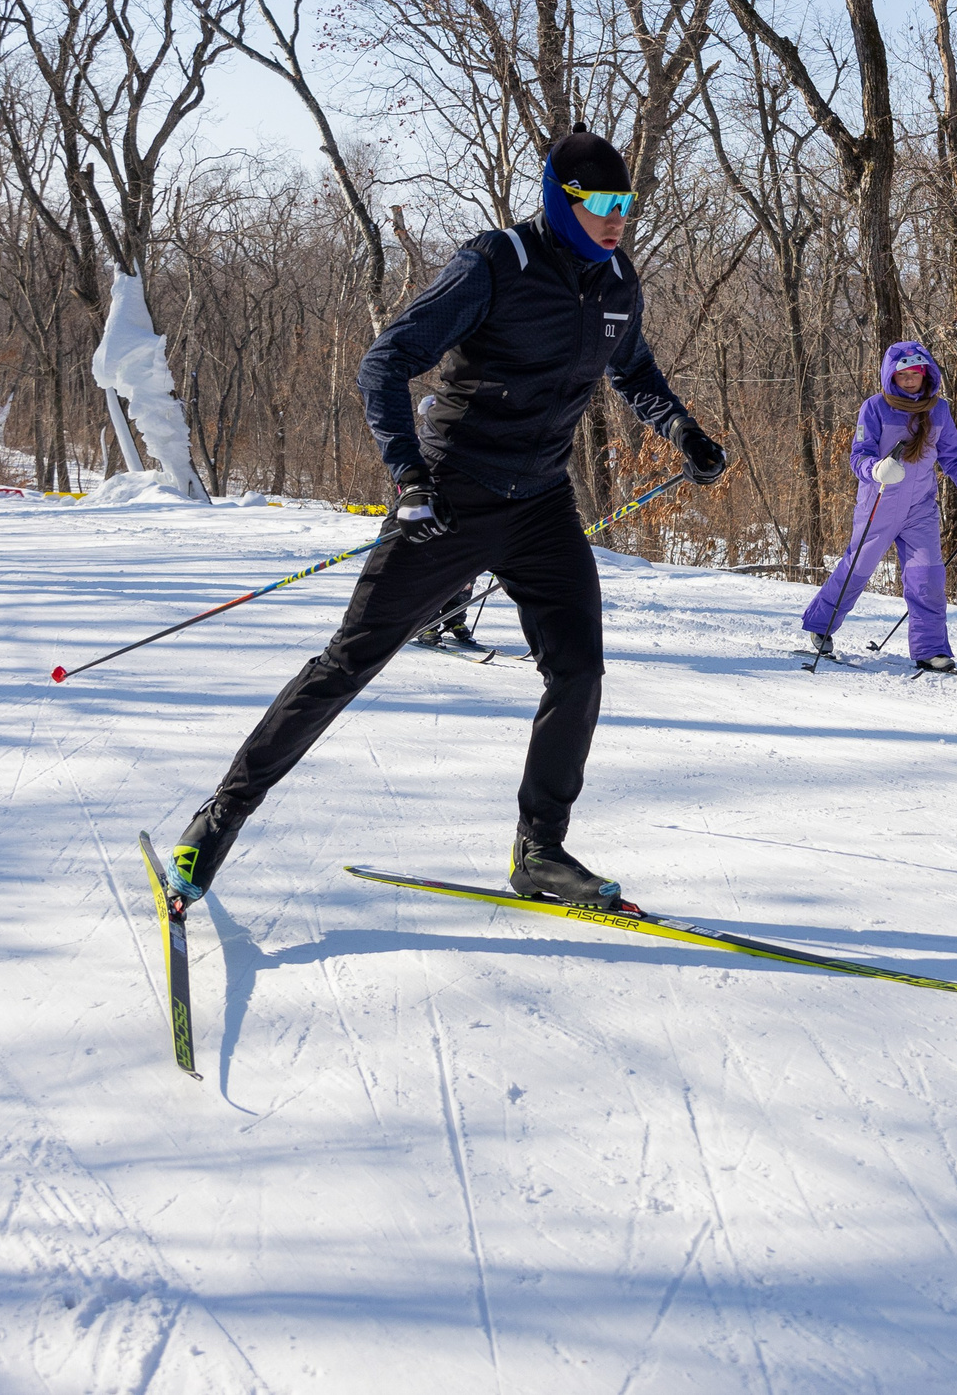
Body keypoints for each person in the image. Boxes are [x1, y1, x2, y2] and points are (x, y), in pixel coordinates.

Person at [163, 128, 729, 914]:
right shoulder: (497, 263)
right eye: (601, 203)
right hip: (453, 499)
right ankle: (216, 822)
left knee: (578, 669)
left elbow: (631, 367)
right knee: (348, 662)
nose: (617, 218)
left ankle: (539, 851)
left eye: (626, 204)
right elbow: (385, 363)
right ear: (560, 201)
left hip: (539, 504)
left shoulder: (617, 281)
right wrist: (408, 478)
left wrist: (682, 430)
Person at [801, 341, 957, 672]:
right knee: (857, 570)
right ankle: (820, 625)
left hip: (920, 509)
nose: (910, 381)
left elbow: (953, 458)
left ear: (927, 375)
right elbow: (859, 455)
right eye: (903, 375)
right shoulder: (875, 407)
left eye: (916, 374)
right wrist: (875, 470)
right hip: (879, 505)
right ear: (891, 376)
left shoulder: (938, 410)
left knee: (928, 577)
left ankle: (931, 649)